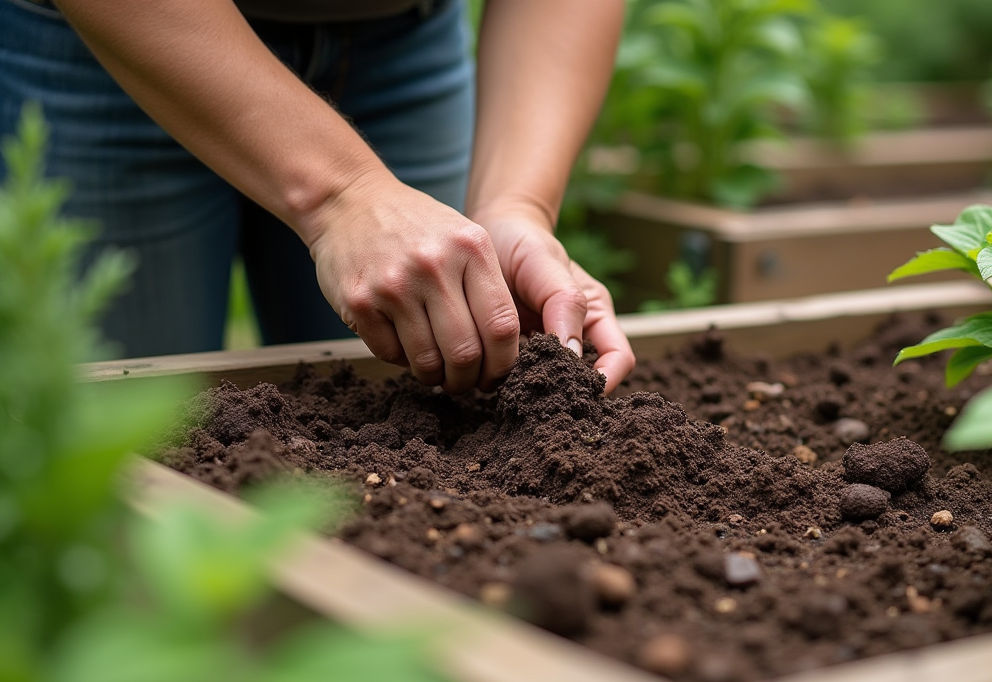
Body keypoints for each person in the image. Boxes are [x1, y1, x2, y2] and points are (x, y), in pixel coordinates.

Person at [0, 0, 635, 394]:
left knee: (423, 390)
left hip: (401, 38)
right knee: (132, 424)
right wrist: (345, 196)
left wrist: (514, 204)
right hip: (125, 39)